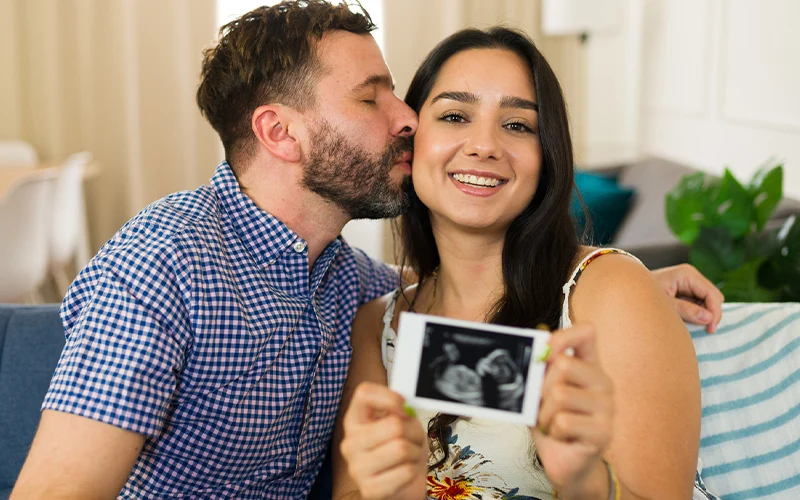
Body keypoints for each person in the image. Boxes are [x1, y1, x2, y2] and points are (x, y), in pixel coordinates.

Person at [10, 2, 722, 499]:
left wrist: (615, 293)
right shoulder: (163, 264)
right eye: (372, 98)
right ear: (280, 133)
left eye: (517, 124)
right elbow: (60, 490)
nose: (406, 118)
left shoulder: (352, 290)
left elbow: (492, 340)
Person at [333, 27, 720, 500]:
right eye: (455, 115)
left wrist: (583, 481)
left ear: (547, 157)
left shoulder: (607, 292)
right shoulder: (379, 324)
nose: (484, 145)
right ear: (411, 142)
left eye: (518, 125)